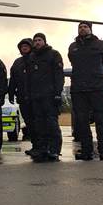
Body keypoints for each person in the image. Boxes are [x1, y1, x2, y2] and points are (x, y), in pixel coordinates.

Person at [68, 21, 103, 160]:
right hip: (79, 89)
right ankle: (87, 151)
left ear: (90, 30)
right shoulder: (73, 46)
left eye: (85, 27)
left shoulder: (100, 44)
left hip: (97, 88)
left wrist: (100, 75)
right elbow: (72, 61)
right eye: (80, 27)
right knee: (82, 121)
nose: (82, 29)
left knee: (101, 120)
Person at [26, 33, 64, 162]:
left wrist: (58, 93)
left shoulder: (54, 54)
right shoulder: (31, 57)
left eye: (39, 40)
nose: (37, 42)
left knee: (51, 123)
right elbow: (29, 78)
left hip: (49, 95)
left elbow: (59, 76)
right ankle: (42, 149)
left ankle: (54, 150)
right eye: (35, 40)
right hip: (36, 96)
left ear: (44, 41)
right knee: (39, 124)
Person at [8, 38, 34, 152]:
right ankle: (35, 146)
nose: (24, 47)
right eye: (22, 46)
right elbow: (13, 80)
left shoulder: (36, 59)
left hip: (36, 97)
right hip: (23, 97)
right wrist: (10, 93)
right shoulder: (17, 62)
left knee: (38, 122)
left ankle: (44, 146)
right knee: (29, 123)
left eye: (26, 45)